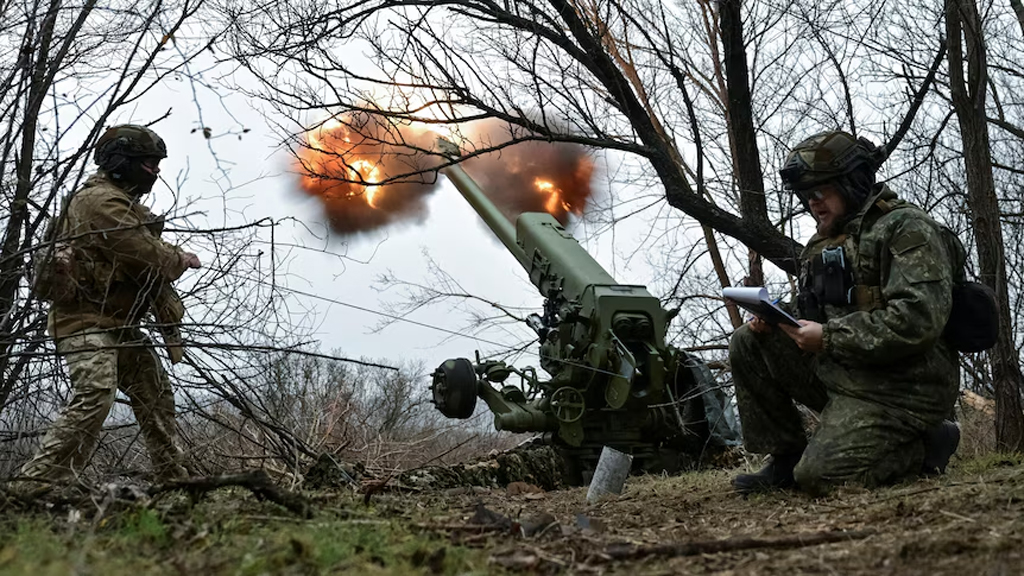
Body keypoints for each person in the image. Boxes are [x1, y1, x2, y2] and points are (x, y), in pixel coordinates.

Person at [729, 131, 961, 495]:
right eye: (807, 196)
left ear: (850, 182)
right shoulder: (823, 241)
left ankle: (929, 442)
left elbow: (918, 320)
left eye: (820, 192)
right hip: (847, 372)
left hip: (904, 388)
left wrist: (830, 337)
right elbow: (813, 308)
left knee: (822, 477)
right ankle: (786, 457)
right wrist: (776, 317)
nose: (812, 203)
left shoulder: (906, 228)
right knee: (748, 341)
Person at [20, 124, 201, 485]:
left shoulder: (120, 201)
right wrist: (179, 258)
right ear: (121, 162)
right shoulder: (100, 202)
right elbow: (145, 253)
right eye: (148, 164)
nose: (155, 172)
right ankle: (33, 485)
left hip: (117, 324)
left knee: (155, 395)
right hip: (84, 322)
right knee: (95, 395)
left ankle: (174, 481)